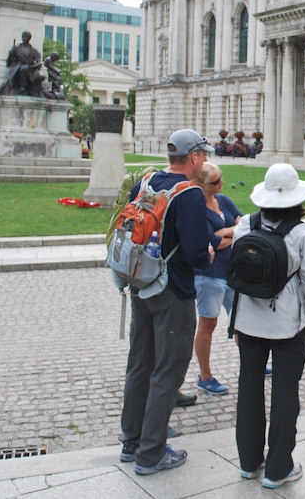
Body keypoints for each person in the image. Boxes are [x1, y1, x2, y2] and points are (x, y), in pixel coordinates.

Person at [119, 129, 216, 475]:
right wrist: (206, 254)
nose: (204, 159)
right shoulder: (189, 194)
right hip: (172, 290)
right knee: (168, 370)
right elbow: (193, 253)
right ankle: (151, 452)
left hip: (140, 282)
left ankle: (132, 442)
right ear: (192, 158)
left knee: (140, 363)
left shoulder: (145, 182)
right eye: (202, 154)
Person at [233, 164, 305, 489]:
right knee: (286, 393)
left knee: (249, 388)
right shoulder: (300, 234)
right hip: (287, 325)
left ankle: (248, 461)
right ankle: (277, 467)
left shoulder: (245, 225)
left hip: (249, 322)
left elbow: (238, 275)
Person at [193, 162, 242, 396]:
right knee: (208, 325)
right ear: (202, 185)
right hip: (209, 275)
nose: (221, 183)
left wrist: (221, 234)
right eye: (216, 181)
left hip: (233, 272)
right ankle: (205, 376)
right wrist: (229, 233)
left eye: (221, 178)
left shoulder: (223, 201)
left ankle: (254, 364)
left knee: (242, 320)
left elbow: (243, 224)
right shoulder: (196, 208)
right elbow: (207, 243)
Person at [5, 31, 45, 96]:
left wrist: (31, 67)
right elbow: (8, 62)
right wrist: (11, 53)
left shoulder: (34, 51)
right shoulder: (16, 48)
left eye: (25, 37)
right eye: (23, 37)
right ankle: (23, 87)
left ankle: (32, 88)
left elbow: (39, 63)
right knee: (24, 68)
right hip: (18, 67)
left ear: (29, 38)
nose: (23, 38)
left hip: (30, 69)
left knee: (41, 77)